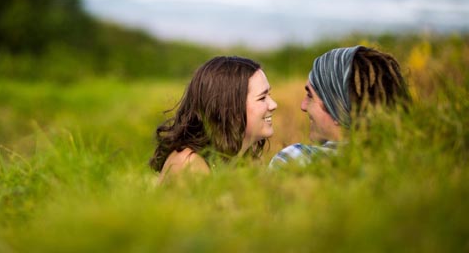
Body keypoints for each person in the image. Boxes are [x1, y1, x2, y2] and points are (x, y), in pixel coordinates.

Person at [270, 46, 410, 168]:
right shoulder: (404, 161)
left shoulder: (293, 160)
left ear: (337, 107)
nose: (303, 106)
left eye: (310, 95)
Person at [150, 56, 278, 183]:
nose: (273, 105)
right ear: (229, 108)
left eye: (269, 95)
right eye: (262, 98)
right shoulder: (188, 164)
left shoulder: (248, 158)